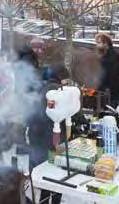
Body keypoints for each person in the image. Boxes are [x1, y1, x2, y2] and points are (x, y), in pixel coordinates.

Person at [26, 64, 71, 204]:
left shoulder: (41, 86)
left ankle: (43, 200)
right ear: (62, 79)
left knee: (44, 174)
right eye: (67, 80)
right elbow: (64, 113)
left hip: (37, 135)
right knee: (56, 174)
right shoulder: (57, 90)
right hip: (50, 137)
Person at [95, 33, 119, 107]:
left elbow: (110, 76)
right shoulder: (107, 55)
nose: (97, 45)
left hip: (110, 94)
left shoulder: (110, 57)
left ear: (106, 43)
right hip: (111, 92)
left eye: (99, 43)